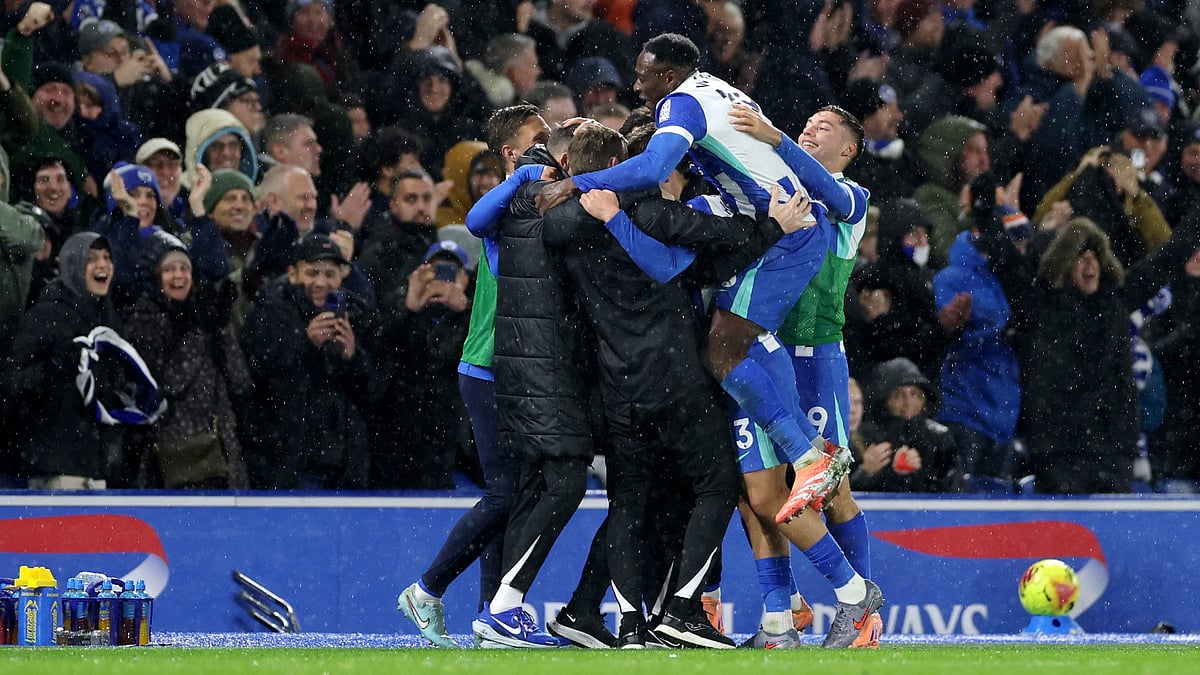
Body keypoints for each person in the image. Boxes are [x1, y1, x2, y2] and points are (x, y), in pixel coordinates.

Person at [536, 32, 847, 522]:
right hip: (775, 220)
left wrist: (581, 181)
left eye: (642, 74)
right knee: (726, 347)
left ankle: (809, 456)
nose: (635, 84)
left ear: (668, 75)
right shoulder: (715, 88)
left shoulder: (682, 104)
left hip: (787, 233)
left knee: (722, 352)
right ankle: (810, 459)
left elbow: (656, 165)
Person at [539, 121, 811, 649]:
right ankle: (682, 611)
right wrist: (772, 227)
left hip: (617, 382)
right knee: (713, 486)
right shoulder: (652, 213)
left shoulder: (560, 225)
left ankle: (630, 622)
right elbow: (716, 248)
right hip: (676, 377)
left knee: (630, 499)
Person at [721, 102, 883, 648]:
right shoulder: (777, 185)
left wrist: (775, 138)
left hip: (814, 358)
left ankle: (860, 609)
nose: (811, 130)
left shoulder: (851, 198)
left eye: (827, 128)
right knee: (758, 492)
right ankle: (781, 618)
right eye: (807, 124)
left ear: (849, 151)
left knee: (827, 487)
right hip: (760, 353)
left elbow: (832, 197)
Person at [396, 105, 550, 649]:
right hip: (490, 367)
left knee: (511, 493)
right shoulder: (504, 207)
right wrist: (529, 176)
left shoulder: (533, 202)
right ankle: (429, 588)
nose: (550, 145)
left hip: (515, 368)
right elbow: (480, 226)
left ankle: (492, 614)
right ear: (512, 153)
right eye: (539, 139)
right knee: (511, 493)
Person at [1, 232, 159, 489]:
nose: (102, 265)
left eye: (107, 258)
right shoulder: (48, 314)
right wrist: (55, 370)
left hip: (102, 468)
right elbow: (11, 383)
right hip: (57, 468)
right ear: (73, 264)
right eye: (91, 258)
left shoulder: (110, 319)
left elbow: (112, 387)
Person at [239, 232, 380, 489]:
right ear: (293, 273)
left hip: (345, 462)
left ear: (342, 276)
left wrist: (352, 357)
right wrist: (307, 344)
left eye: (329, 273)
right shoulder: (268, 312)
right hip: (285, 459)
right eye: (312, 272)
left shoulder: (359, 316)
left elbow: (375, 392)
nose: (321, 282)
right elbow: (258, 377)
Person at [122, 235, 251, 489]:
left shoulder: (204, 312)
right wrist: (200, 330)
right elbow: (167, 384)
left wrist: (221, 326)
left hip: (222, 455)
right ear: (156, 277)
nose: (178, 275)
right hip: (174, 457)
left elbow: (240, 381)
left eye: (184, 268)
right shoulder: (143, 319)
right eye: (169, 269)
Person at [851, 357, 961, 491]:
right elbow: (839, 501)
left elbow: (956, 493)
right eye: (898, 395)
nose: (908, 402)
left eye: (915, 394)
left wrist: (922, 474)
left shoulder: (939, 438)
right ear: (884, 400)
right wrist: (865, 473)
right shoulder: (863, 438)